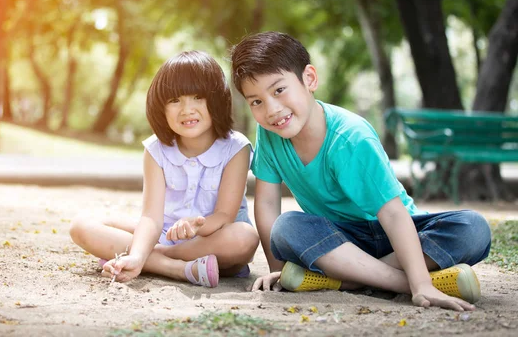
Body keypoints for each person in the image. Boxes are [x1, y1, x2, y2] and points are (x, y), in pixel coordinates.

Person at [230, 31, 491, 311]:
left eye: (279, 90)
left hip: (399, 237)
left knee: (472, 228)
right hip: (339, 243)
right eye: (256, 101)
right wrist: (278, 269)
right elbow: (268, 203)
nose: (271, 110)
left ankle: (349, 279)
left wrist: (422, 285)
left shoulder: (351, 137)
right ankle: (398, 282)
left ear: (309, 79)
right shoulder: (269, 135)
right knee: (287, 227)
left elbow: (392, 213)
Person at [70, 51, 259, 288]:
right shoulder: (155, 150)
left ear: (217, 99)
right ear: (161, 107)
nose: (187, 109)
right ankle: (175, 268)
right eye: (174, 100)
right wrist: (139, 253)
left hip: (210, 240)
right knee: (82, 224)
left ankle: (153, 257)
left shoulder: (236, 147)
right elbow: (151, 217)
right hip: (162, 234)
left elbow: (224, 216)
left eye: (198, 97)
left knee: (245, 238)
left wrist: (195, 226)